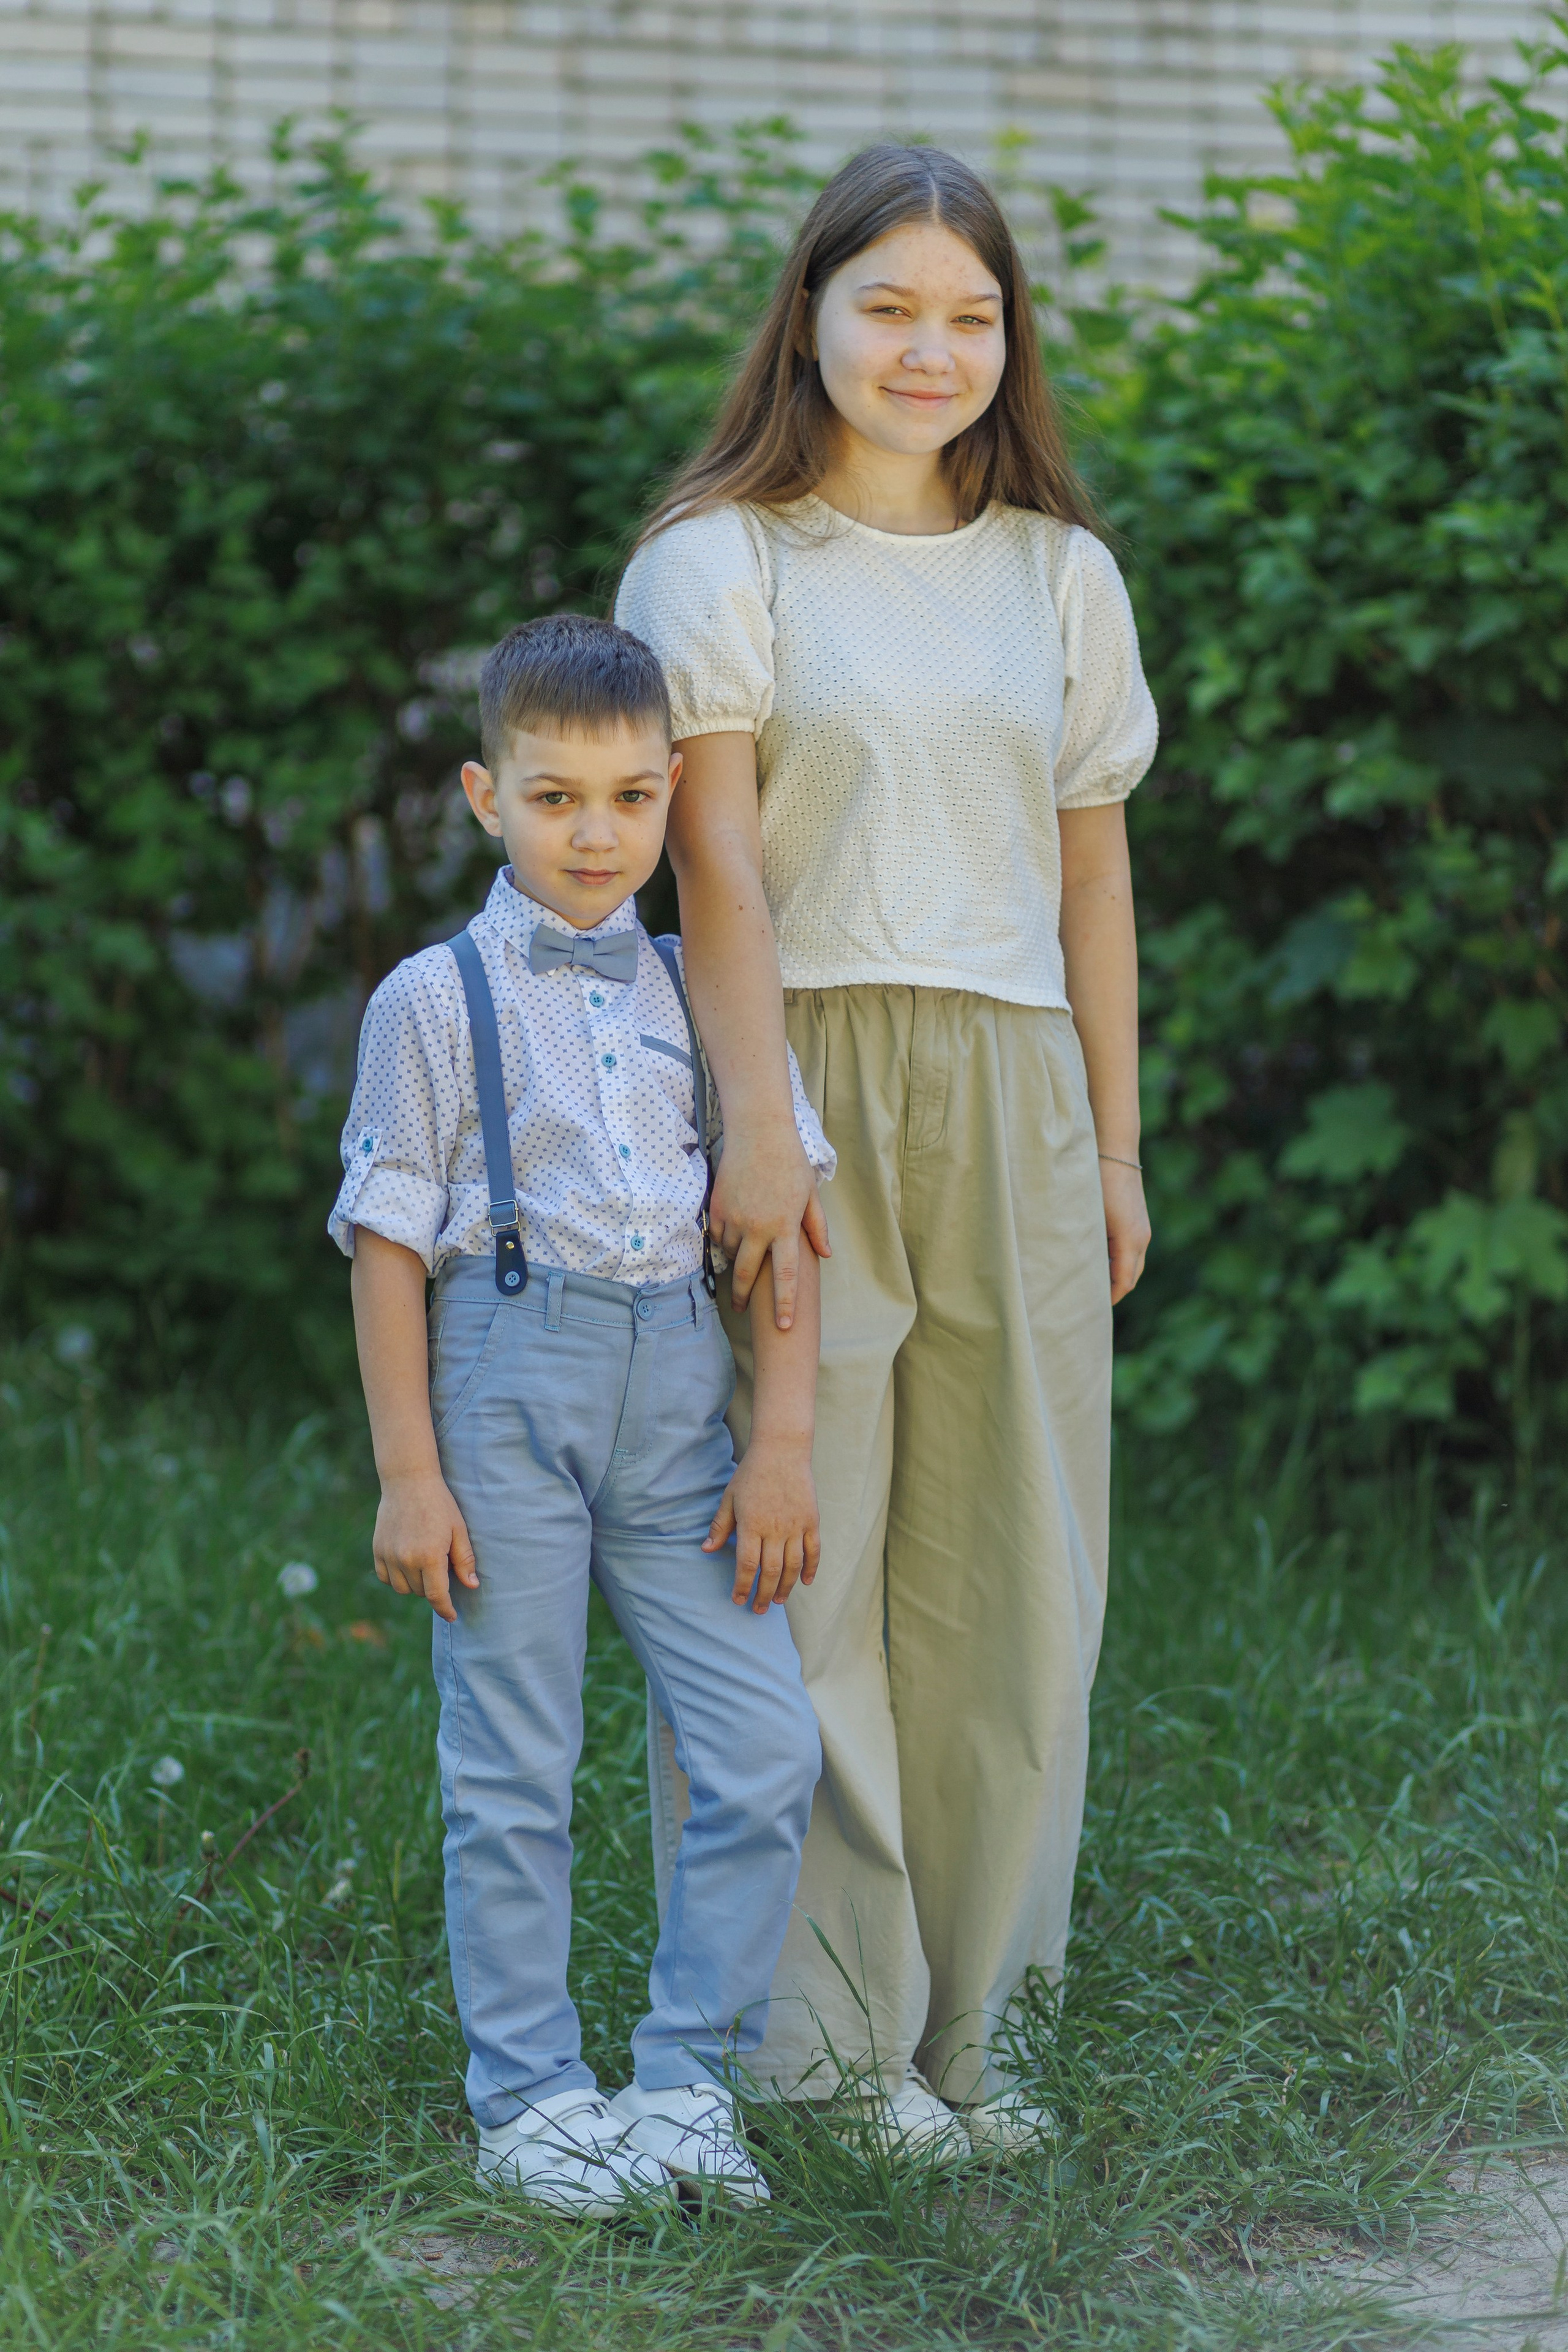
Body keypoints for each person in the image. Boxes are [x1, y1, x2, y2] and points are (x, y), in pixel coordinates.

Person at [617, 143, 1158, 2155]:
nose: (931, 351)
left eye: (971, 316)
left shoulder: (1060, 576)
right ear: (813, 315)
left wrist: (1115, 1146)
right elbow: (717, 872)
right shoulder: (722, 559)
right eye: (891, 308)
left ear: (1010, 340)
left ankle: (975, 2035)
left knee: (1020, 1574)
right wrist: (763, 1127)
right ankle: (824, 2054)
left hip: (1018, 1086)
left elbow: (1091, 879)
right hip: (805, 1067)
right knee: (799, 1564)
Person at [328, 614, 835, 2215]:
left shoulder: (707, 986)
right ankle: (534, 2097)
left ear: (674, 791)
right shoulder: (432, 1000)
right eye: (555, 798)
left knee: (765, 1747)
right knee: (515, 1762)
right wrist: (409, 1474)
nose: (596, 834)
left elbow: (784, 1234)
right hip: (508, 1389)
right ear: (488, 795)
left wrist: (782, 1445)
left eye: (630, 797)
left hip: (681, 1411)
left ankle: (688, 2080)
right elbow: (388, 1248)